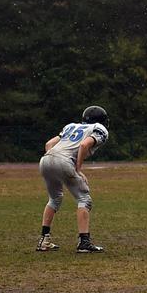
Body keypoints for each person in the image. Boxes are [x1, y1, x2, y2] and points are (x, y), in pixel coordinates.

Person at [36, 105, 109, 253]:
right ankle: (84, 242)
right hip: (64, 160)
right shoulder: (99, 129)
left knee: (54, 199)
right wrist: (78, 169)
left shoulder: (71, 126)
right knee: (84, 199)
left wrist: (54, 160)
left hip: (46, 159)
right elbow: (84, 144)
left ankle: (44, 240)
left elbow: (49, 144)